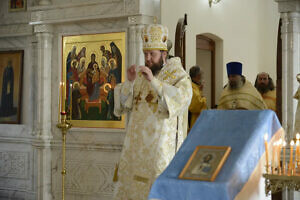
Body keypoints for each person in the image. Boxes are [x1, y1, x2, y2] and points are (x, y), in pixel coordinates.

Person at [113, 23, 193, 200]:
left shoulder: (178, 75)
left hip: (161, 153)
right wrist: (130, 82)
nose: (148, 58)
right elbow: (123, 105)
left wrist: (155, 83)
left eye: (152, 54)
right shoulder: (141, 77)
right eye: (145, 54)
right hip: (136, 152)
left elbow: (183, 99)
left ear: (164, 54)